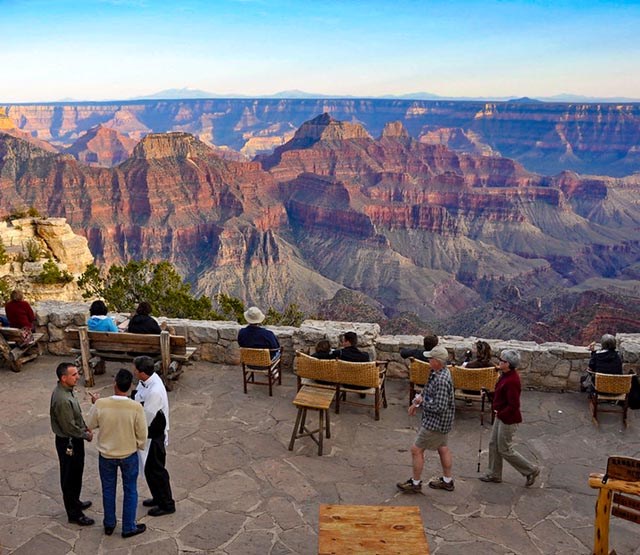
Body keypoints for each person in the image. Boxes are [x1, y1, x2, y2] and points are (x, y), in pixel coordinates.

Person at [86, 369, 147, 538]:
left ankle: (109, 523)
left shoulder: (101, 404)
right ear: (129, 387)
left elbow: (89, 423)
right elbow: (142, 433)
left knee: (108, 489)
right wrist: (139, 445)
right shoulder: (135, 407)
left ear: (115, 385)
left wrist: (95, 403)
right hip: (128, 453)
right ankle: (128, 526)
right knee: (130, 490)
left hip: (106, 455)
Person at [397, 345, 456, 493]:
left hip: (436, 423)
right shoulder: (436, 372)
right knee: (442, 448)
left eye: (430, 358)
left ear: (437, 361)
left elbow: (440, 407)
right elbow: (428, 389)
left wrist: (423, 403)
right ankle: (447, 481)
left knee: (416, 450)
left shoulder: (442, 380)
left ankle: (415, 483)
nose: (428, 359)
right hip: (442, 422)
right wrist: (417, 401)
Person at [480, 349, 540, 487]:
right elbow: (500, 395)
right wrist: (489, 394)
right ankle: (494, 473)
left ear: (509, 364)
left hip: (508, 419)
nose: (499, 362)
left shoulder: (512, 381)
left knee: (505, 449)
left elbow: (514, 405)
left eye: (502, 361)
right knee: (494, 444)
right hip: (501, 415)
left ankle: (531, 470)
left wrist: (500, 413)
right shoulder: (505, 375)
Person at [49, 362, 94, 526]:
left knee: (76, 474)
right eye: (74, 375)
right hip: (69, 442)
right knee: (70, 478)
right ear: (63, 378)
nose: (78, 377)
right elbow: (69, 427)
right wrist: (85, 435)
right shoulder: (62, 399)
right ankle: (74, 514)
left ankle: (75, 502)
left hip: (72, 440)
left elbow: (75, 416)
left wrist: (84, 426)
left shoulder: (67, 391)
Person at [133, 356, 176, 517]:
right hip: (151, 432)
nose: (134, 372)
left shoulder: (155, 391)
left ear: (142, 372)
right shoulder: (147, 381)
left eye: (136, 369)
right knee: (150, 470)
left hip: (155, 434)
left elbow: (146, 418)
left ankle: (167, 504)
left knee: (157, 470)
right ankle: (158, 497)